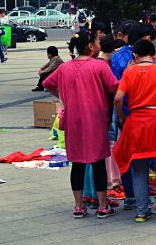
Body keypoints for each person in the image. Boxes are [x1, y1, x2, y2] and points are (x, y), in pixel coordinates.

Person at [43, 30, 120, 219]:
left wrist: (62, 95)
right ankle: (102, 205)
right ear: (91, 46)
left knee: (77, 162)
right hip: (95, 118)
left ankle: (78, 206)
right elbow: (114, 87)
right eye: (97, 41)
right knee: (98, 162)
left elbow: (47, 83)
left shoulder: (64, 68)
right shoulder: (99, 66)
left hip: (73, 119)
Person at [112, 39, 156, 223]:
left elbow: (118, 98)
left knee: (138, 168)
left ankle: (141, 211)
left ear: (135, 55)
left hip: (136, 122)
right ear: (153, 54)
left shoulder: (129, 71)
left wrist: (122, 117)